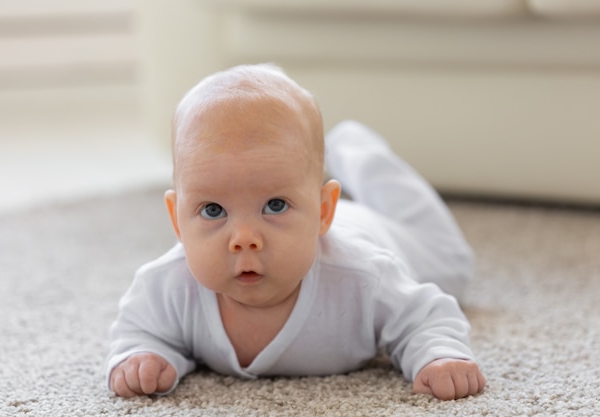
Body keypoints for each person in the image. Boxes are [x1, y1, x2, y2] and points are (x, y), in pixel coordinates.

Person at [106, 64, 486, 401]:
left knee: (453, 265)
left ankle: (358, 153)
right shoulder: (168, 285)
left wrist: (439, 355)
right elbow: (140, 330)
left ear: (323, 211)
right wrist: (143, 357)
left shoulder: (364, 277)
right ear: (177, 221)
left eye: (274, 205)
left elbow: (425, 317)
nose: (244, 237)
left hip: (384, 235)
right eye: (212, 210)